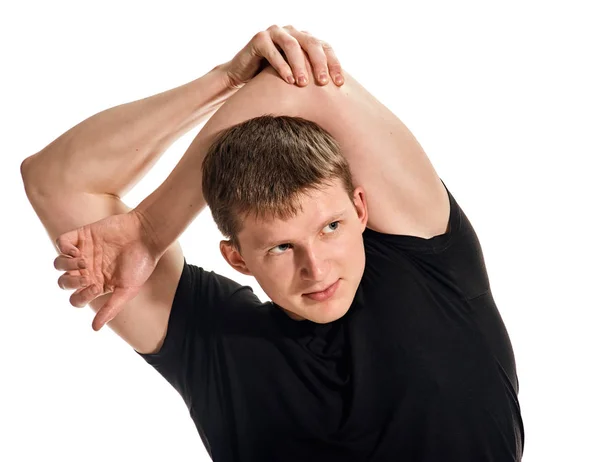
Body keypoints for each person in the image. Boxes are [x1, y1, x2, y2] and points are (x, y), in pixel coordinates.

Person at [21, 25, 524, 462]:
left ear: (361, 209)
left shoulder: (429, 267)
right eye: (281, 248)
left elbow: (301, 89)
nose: (317, 267)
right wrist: (222, 82)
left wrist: (152, 227)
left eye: (331, 228)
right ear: (236, 257)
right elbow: (55, 181)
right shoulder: (215, 347)